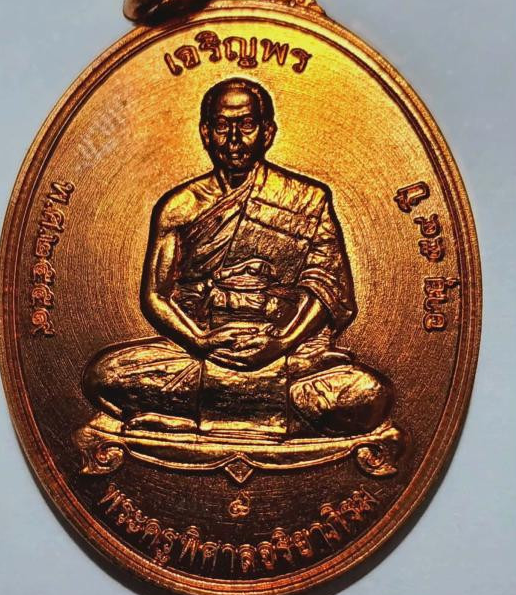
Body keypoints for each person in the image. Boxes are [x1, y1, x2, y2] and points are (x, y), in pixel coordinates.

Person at [83, 78, 392, 438]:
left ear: (267, 132)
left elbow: (328, 288)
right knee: (103, 376)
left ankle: (189, 419)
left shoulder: (308, 199)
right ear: (205, 133)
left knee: (368, 394)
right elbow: (156, 295)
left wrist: (281, 342)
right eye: (222, 125)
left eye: (246, 125)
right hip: (199, 355)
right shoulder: (179, 207)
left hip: (288, 355)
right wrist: (199, 340)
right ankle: (280, 418)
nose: (234, 139)